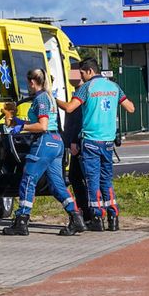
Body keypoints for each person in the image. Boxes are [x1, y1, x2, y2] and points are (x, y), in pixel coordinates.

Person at [2, 68, 86, 237]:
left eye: (28, 83)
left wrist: (21, 127)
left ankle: (21, 221)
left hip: (44, 141)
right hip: (56, 142)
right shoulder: (49, 98)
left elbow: (42, 125)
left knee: (28, 180)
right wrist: (18, 122)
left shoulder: (40, 98)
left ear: (32, 82)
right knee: (56, 185)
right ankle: (76, 217)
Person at [56, 58, 135, 231]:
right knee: (106, 179)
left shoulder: (87, 88)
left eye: (82, 73)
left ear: (90, 71)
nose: (82, 77)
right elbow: (131, 108)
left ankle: (97, 218)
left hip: (91, 141)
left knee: (92, 180)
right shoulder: (114, 87)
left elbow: (70, 108)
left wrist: (54, 100)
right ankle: (113, 217)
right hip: (108, 141)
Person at [62, 77, 93, 228]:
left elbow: (79, 120)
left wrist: (74, 140)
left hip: (80, 143)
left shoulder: (83, 94)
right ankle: (86, 213)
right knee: (76, 177)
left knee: (81, 178)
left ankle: (89, 214)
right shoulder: (79, 92)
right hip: (76, 142)